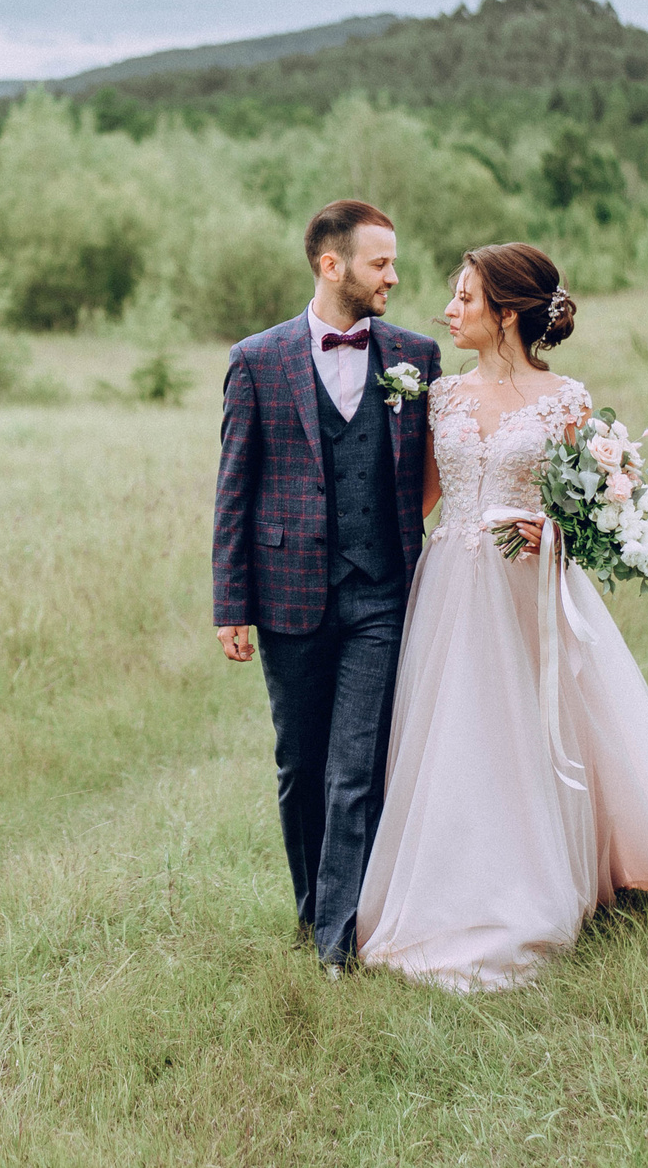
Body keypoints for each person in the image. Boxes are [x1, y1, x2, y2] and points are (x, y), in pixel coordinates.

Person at [354, 242, 648, 992]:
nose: (448, 310)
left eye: (465, 298)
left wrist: (555, 531)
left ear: (508, 312)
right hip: (452, 582)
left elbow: (589, 513)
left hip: (528, 585)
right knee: (456, 729)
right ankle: (451, 882)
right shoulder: (442, 396)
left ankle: (534, 878)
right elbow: (418, 501)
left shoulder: (566, 399)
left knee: (528, 727)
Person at [211, 199, 443, 970]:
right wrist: (231, 605)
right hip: (287, 593)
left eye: (395, 261)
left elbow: (440, 470)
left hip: (380, 591)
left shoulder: (416, 355)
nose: (395, 276)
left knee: (355, 764)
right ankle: (313, 909)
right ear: (330, 264)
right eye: (381, 262)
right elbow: (234, 490)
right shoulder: (257, 360)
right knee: (299, 763)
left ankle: (339, 941)